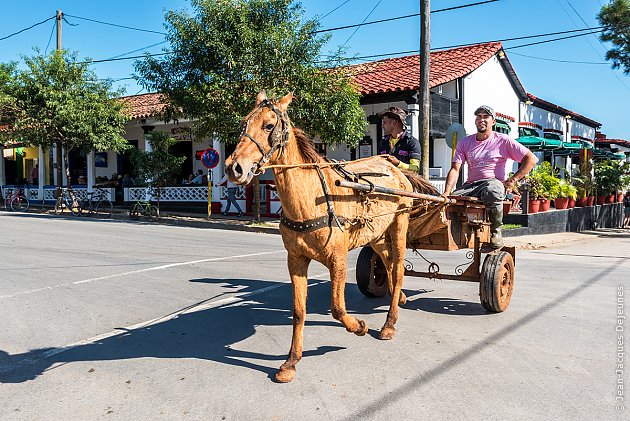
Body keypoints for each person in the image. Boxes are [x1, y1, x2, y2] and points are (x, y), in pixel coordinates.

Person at [442, 105, 538, 249]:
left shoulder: (503, 140)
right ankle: (455, 235)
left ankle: (496, 231)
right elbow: (455, 169)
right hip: (471, 185)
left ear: (493, 122)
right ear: (475, 121)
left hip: (493, 183)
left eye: (486, 116)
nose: (481, 119)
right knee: (450, 201)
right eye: (479, 116)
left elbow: (531, 159)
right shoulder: (464, 142)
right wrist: (447, 192)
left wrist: (512, 180)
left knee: (492, 191)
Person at [377, 106, 422, 172]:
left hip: (404, 181)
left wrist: (398, 163)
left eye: (384, 122)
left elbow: (415, 169)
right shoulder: (382, 143)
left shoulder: (412, 142)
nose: (382, 126)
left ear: (394, 123)